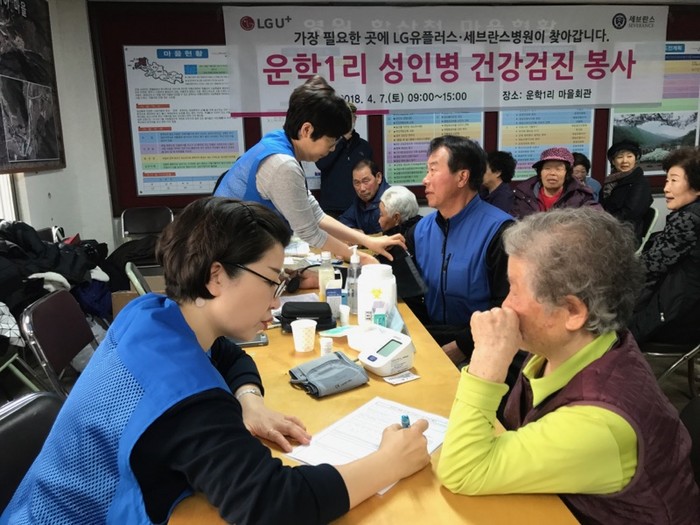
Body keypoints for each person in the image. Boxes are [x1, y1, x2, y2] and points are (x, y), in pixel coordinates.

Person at [1, 197, 431, 525]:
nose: (276, 300)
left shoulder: (148, 313)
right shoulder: (188, 400)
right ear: (217, 276)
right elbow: (271, 505)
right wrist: (389, 462)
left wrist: (249, 401)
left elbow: (223, 353)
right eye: (272, 280)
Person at [436, 208, 700, 525]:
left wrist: (486, 363)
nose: (505, 304)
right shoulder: (566, 346)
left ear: (573, 311)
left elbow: (463, 470)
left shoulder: (600, 422)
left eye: (515, 289)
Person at [214, 75, 403, 264]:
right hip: (230, 254)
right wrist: (362, 258)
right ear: (306, 130)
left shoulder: (278, 140)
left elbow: (316, 214)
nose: (332, 149)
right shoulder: (283, 165)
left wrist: (368, 241)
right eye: (331, 141)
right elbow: (310, 232)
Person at [406, 135, 513, 366]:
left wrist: (463, 346)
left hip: (484, 348)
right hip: (429, 341)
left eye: (433, 170)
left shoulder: (501, 231)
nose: (425, 179)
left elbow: (508, 304)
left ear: (462, 177)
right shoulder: (419, 231)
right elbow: (412, 293)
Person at [629, 146, 700, 345]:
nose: (666, 188)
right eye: (667, 180)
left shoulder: (688, 219)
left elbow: (649, 268)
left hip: (676, 319)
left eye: (674, 181)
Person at [315, 102, 373, 218]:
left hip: (358, 207)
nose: (348, 121)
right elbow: (321, 164)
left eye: (351, 118)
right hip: (331, 208)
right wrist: (341, 141)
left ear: (355, 119)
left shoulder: (364, 146)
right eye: (344, 118)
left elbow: (371, 174)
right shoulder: (325, 143)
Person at [510, 147, 599, 219]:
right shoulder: (523, 195)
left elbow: (598, 219)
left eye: (558, 169)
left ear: (567, 173)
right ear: (540, 172)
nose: (552, 173)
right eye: (547, 168)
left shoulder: (581, 196)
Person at [601, 139, 652, 247]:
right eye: (620, 157)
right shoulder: (610, 181)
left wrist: (604, 223)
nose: (625, 161)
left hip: (626, 236)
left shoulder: (640, 182)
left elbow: (630, 213)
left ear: (635, 159)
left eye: (629, 156)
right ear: (613, 161)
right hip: (609, 230)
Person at [337, 158, 389, 234]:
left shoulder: (391, 200)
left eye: (366, 181)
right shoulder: (359, 201)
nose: (362, 189)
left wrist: (362, 237)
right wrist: (352, 230)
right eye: (357, 183)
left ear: (378, 178)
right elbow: (343, 221)